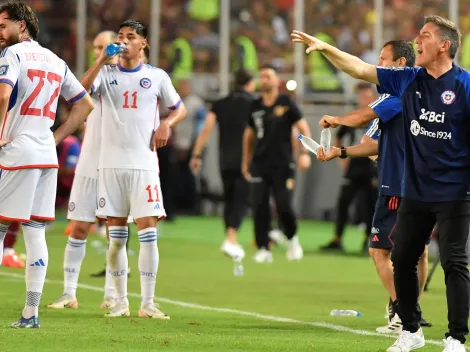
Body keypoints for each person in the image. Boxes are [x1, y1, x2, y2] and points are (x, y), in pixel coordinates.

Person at [293, 14, 470, 352]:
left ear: (444, 46)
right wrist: (325, 47)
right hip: (415, 189)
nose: (417, 40)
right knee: (402, 257)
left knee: (454, 263)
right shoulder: (408, 80)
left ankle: (456, 338)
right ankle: (411, 330)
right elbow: (359, 69)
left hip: (454, 191)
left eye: (425, 35)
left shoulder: (465, 86)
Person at [317, 40, 432, 333]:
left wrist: (337, 120)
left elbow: (365, 118)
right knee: (419, 253)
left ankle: (404, 313)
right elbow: (372, 144)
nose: (379, 64)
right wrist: (340, 152)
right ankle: (409, 312)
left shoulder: (395, 93)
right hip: (423, 185)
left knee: (380, 251)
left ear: (400, 64)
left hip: (396, 186)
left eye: (383, 59)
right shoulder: (422, 95)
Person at [81, 20, 187, 318]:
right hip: (110, 165)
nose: (124, 41)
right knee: (116, 238)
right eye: (120, 37)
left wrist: (166, 123)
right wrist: (102, 58)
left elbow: (180, 108)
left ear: (143, 44)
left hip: (143, 165)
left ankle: (148, 303)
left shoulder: (156, 77)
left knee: (148, 232)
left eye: (130, 37)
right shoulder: (105, 73)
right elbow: (80, 92)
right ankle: (121, 301)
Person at [0, 1, 93, 328]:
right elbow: (85, 103)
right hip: (44, 155)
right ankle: (31, 313)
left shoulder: (12, 55)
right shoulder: (56, 60)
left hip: (17, 152)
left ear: (21, 25)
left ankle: (30, 312)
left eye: (3, 26)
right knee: (35, 231)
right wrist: (57, 137)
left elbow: (2, 94)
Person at [47, 31, 121, 311]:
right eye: (96, 47)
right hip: (90, 160)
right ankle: (69, 293)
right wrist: (101, 62)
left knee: (116, 229)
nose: (99, 51)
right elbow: (77, 95)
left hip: (115, 162)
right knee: (78, 227)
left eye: (104, 46)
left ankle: (113, 293)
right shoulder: (96, 75)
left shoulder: (129, 78)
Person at [241, 64, 311, 263]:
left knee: (283, 204)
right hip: (259, 164)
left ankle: (292, 239)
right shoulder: (255, 105)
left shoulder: (286, 102)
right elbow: (249, 135)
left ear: (277, 80)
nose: (264, 80)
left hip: (283, 163)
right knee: (259, 206)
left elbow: (303, 127)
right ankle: (263, 248)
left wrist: (305, 152)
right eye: (261, 76)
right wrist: (245, 162)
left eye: (268, 76)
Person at [190, 69, 255, 260]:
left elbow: (206, 129)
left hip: (225, 158)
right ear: (250, 83)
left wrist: (197, 154)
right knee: (241, 200)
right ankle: (231, 238)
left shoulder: (220, 104)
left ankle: (231, 240)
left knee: (230, 199)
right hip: (247, 159)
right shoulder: (254, 104)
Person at [320, 83, 377, 253]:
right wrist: (341, 158)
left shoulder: (377, 117)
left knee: (371, 205)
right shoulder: (353, 118)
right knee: (343, 202)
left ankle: (369, 240)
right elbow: (339, 136)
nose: (364, 100)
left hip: (371, 167)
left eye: (367, 97)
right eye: (362, 97)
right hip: (353, 165)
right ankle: (337, 238)